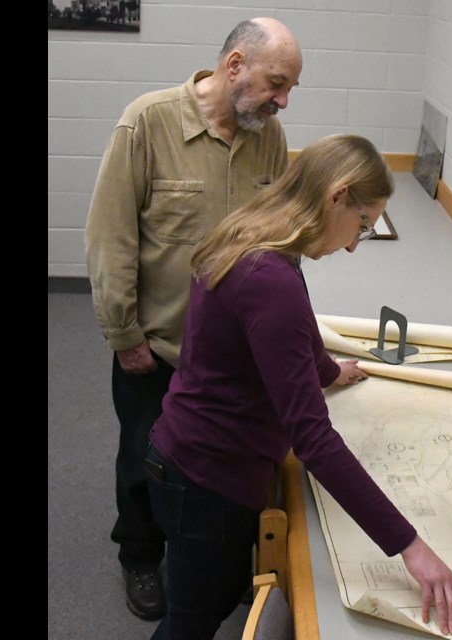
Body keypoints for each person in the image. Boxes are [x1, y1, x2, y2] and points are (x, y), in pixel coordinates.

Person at [145, 134, 452, 639]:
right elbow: (313, 440)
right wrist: (410, 546)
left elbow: (275, 338)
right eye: (361, 224)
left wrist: (325, 370)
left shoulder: (255, 236)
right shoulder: (269, 280)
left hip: (186, 457)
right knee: (191, 624)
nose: (352, 244)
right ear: (337, 195)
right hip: (208, 482)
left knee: (214, 591)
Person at [84, 17, 302, 621]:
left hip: (231, 355)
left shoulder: (270, 137)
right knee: (142, 455)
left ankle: (214, 559)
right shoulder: (147, 123)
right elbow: (111, 240)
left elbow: (276, 239)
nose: (282, 101)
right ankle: (140, 555)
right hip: (157, 346)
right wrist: (124, 336)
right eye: (275, 84)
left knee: (221, 464)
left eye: (289, 91)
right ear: (234, 66)